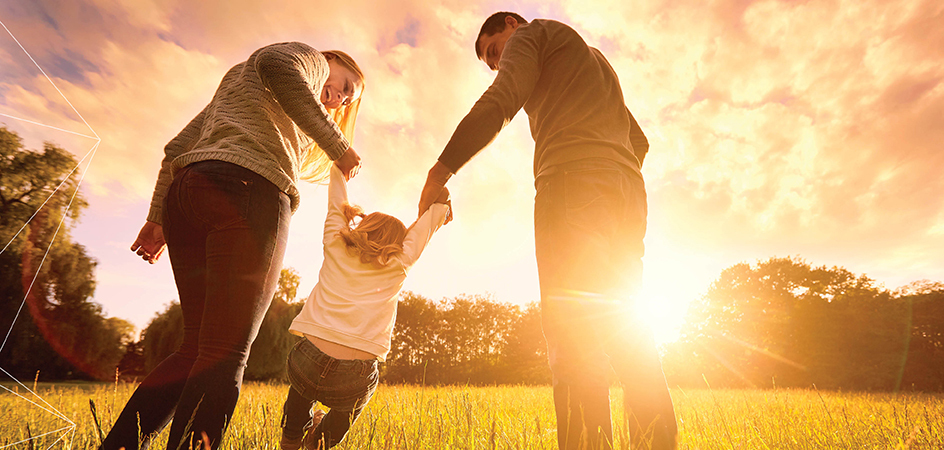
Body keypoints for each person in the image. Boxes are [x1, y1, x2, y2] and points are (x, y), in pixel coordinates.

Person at [417, 12, 678, 450]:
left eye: (495, 51)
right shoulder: (593, 61)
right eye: (490, 61)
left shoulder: (533, 35)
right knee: (626, 330)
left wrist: (440, 171)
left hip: (572, 185)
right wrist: (611, 172)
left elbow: (503, 100)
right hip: (628, 194)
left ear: (512, 24)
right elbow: (639, 141)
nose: (498, 63)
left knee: (572, 331)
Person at [101, 42, 366, 450]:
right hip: (248, 192)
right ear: (333, 61)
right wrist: (339, 146)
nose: (343, 98)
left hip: (188, 196)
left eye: (349, 99)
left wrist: (157, 220)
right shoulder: (308, 59)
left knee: (196, 349)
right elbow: (278, 64)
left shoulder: (239, 87)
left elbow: (176, 148)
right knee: (224, 354)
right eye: (347, 84)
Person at [279, 164, 451, 450]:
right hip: (354, 376)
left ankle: (291, 437)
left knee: (302, 388)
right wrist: (441, 206)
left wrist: (339, 168)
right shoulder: (400, 262)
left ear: (362, 226)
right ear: (400, 243)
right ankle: (320, 441)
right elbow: (429, 221)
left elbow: (336, 203)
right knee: (351, 405)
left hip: (306, 359)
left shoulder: (336, 244)